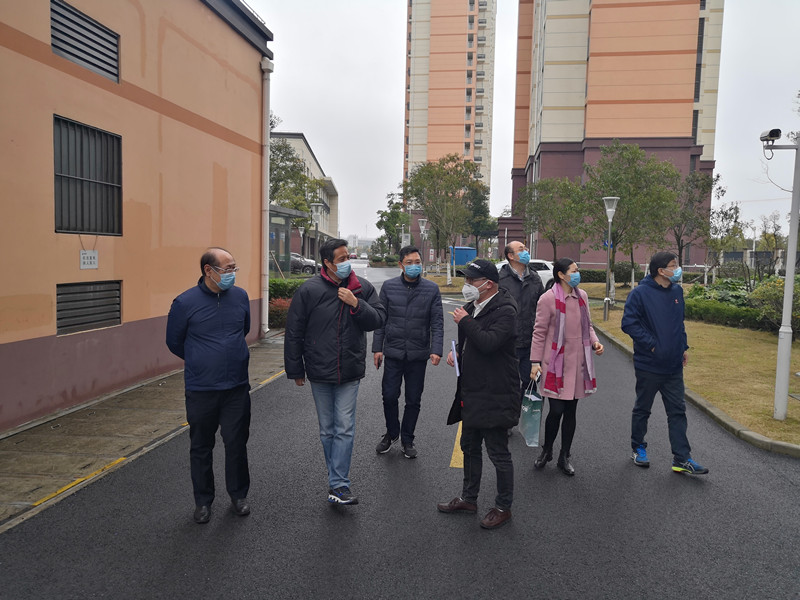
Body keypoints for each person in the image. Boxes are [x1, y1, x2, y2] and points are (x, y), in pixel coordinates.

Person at [284, 238, 386, 505]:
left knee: (344, 427)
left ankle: (339, 484)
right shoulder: (309, 290)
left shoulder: (361, 288)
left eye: (347, 257)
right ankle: (335, 481)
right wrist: (295, 368)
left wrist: (356, 304)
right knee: (327, 430)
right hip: (319, 370)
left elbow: (378, 319)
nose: (346, 262)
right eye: (341, 259)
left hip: (349, 370)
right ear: (327, 263)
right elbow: (294, 331)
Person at [166, 247, 252, 524]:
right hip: (201, 389)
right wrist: (201, 359)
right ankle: (203, 501)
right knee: (201, 446)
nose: (232, 274)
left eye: (234, 268)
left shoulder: (240, 297)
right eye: (228, 269)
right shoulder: (184, 303)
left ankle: (238, 495)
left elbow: (244, 329)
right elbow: (174, 342)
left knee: (236, 443)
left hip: (236, 387)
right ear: (208, 271)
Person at [437, 260, 520, 529]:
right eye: (467, 280)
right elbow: (472, 343)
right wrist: (457, 353)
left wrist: (466, 321)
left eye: (472, 280)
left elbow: (489, 343)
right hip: (472, 390)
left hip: (496, 391)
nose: (467, 285)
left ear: (488, 284)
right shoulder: (473, 306)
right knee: (469, 446)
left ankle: (503, 507)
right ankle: (468, 498)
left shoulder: (505, 310)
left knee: (498, 452)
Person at [621, 252, 709, 475]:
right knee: (643, 409)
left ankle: (682, 458)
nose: (677, 269)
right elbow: (629, 323)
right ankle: (638, 448)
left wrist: (683, 347)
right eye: (673, 265)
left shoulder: (677, 291)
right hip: (649, 364)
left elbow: (679, 323)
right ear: (661, 271)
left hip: (673, 366)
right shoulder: (639, 294)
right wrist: (652, 345)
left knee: (677, 411)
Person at [530, 258, 604, 476]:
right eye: (574, 270)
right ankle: (547, 450)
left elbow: (588, 325)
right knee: (556, 410)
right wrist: (535, 362)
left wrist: (595, 342)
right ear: (561, 275)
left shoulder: (582, 296)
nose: (578, 273)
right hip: (555, 364)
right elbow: (539, 332)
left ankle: (565, 456)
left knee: (571, 411)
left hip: (578, 363)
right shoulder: (548, 298)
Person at [372, 246, 443, 459]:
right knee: (389, 396)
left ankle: (407, 438)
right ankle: (392, 432)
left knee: (413, 399)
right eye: (409, 262)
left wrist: (436, 349)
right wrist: (377, 348)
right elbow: (381, 320)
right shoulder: (389, 287)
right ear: (401, 265)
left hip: (417, 354)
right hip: (393, 352)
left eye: (417, 262)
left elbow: (437, 323)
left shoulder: (431, 289)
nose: (414, 266)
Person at [498, 241, 545, 430]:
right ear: (510, 256)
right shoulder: (500, 279)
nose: (526, 251)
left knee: (530, 382)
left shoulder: (535, 279)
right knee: (508, 384)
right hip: (508, 342)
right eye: (521, 249)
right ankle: (507, 420)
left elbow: (542, 309)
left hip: (532, 343)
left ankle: (522, 419)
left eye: (526, 248)